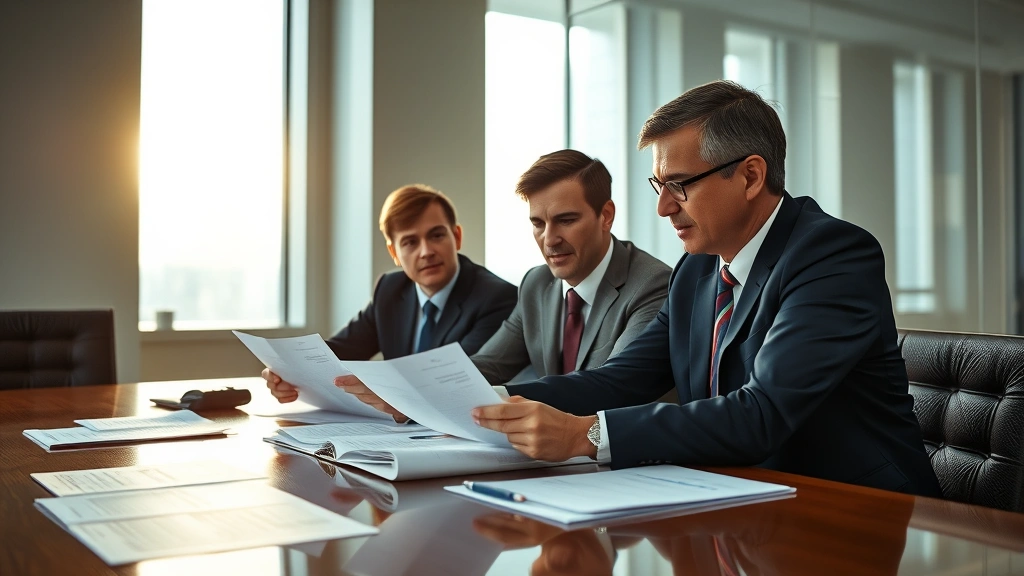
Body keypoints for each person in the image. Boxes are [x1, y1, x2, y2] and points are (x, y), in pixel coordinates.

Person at [470, 80, 943, 497]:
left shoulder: (833, 255)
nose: (663, 208)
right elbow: (621, 380)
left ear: (751, 176)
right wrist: (484, 400)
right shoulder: (696, 272)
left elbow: (762, 413)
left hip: (856, 512)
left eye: (679, 185)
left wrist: (587, 435)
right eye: (659, 185)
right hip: (739, 502)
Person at [338, 150, 671, 421]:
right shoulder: (536, 284)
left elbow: (612, 386)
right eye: (538, 224)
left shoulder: (651, 284)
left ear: (606, 216)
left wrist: (488, 397)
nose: (550, 239)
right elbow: (487, 364)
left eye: (566, 220)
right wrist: (407, 389)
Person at [265, 184, 517, 403]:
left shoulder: (496, 297)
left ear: (457, 237)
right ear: (394, 252)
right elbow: (339, 352)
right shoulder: (390, 289)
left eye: (437, 235)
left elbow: (458, 378)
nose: (426, 251)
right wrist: (287, 370)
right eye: (410, 242)